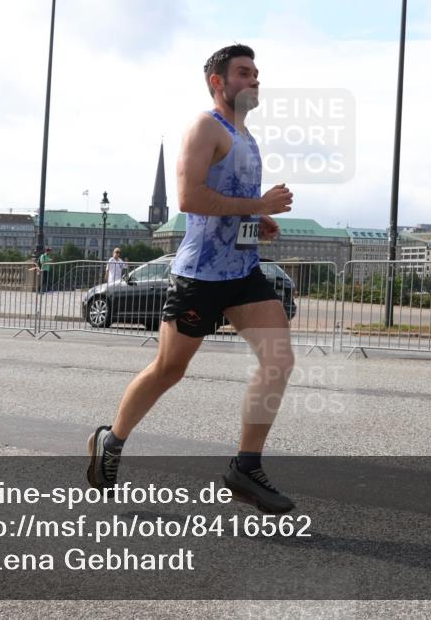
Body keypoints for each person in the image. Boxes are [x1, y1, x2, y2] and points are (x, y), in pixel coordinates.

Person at [87, 44, 296, 513]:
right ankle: (112, 441)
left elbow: (229, 201)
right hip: (199, 276)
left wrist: (256, 221)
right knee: (169, 370)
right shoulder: (205, 127)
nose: (255, 80)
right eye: (244, 73)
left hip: (243, 271)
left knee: (279, 358)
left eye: (257, 73)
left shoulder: (248, 137)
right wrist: (257, 205)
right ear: (218, 83)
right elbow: (188, 197)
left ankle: (245, 467)